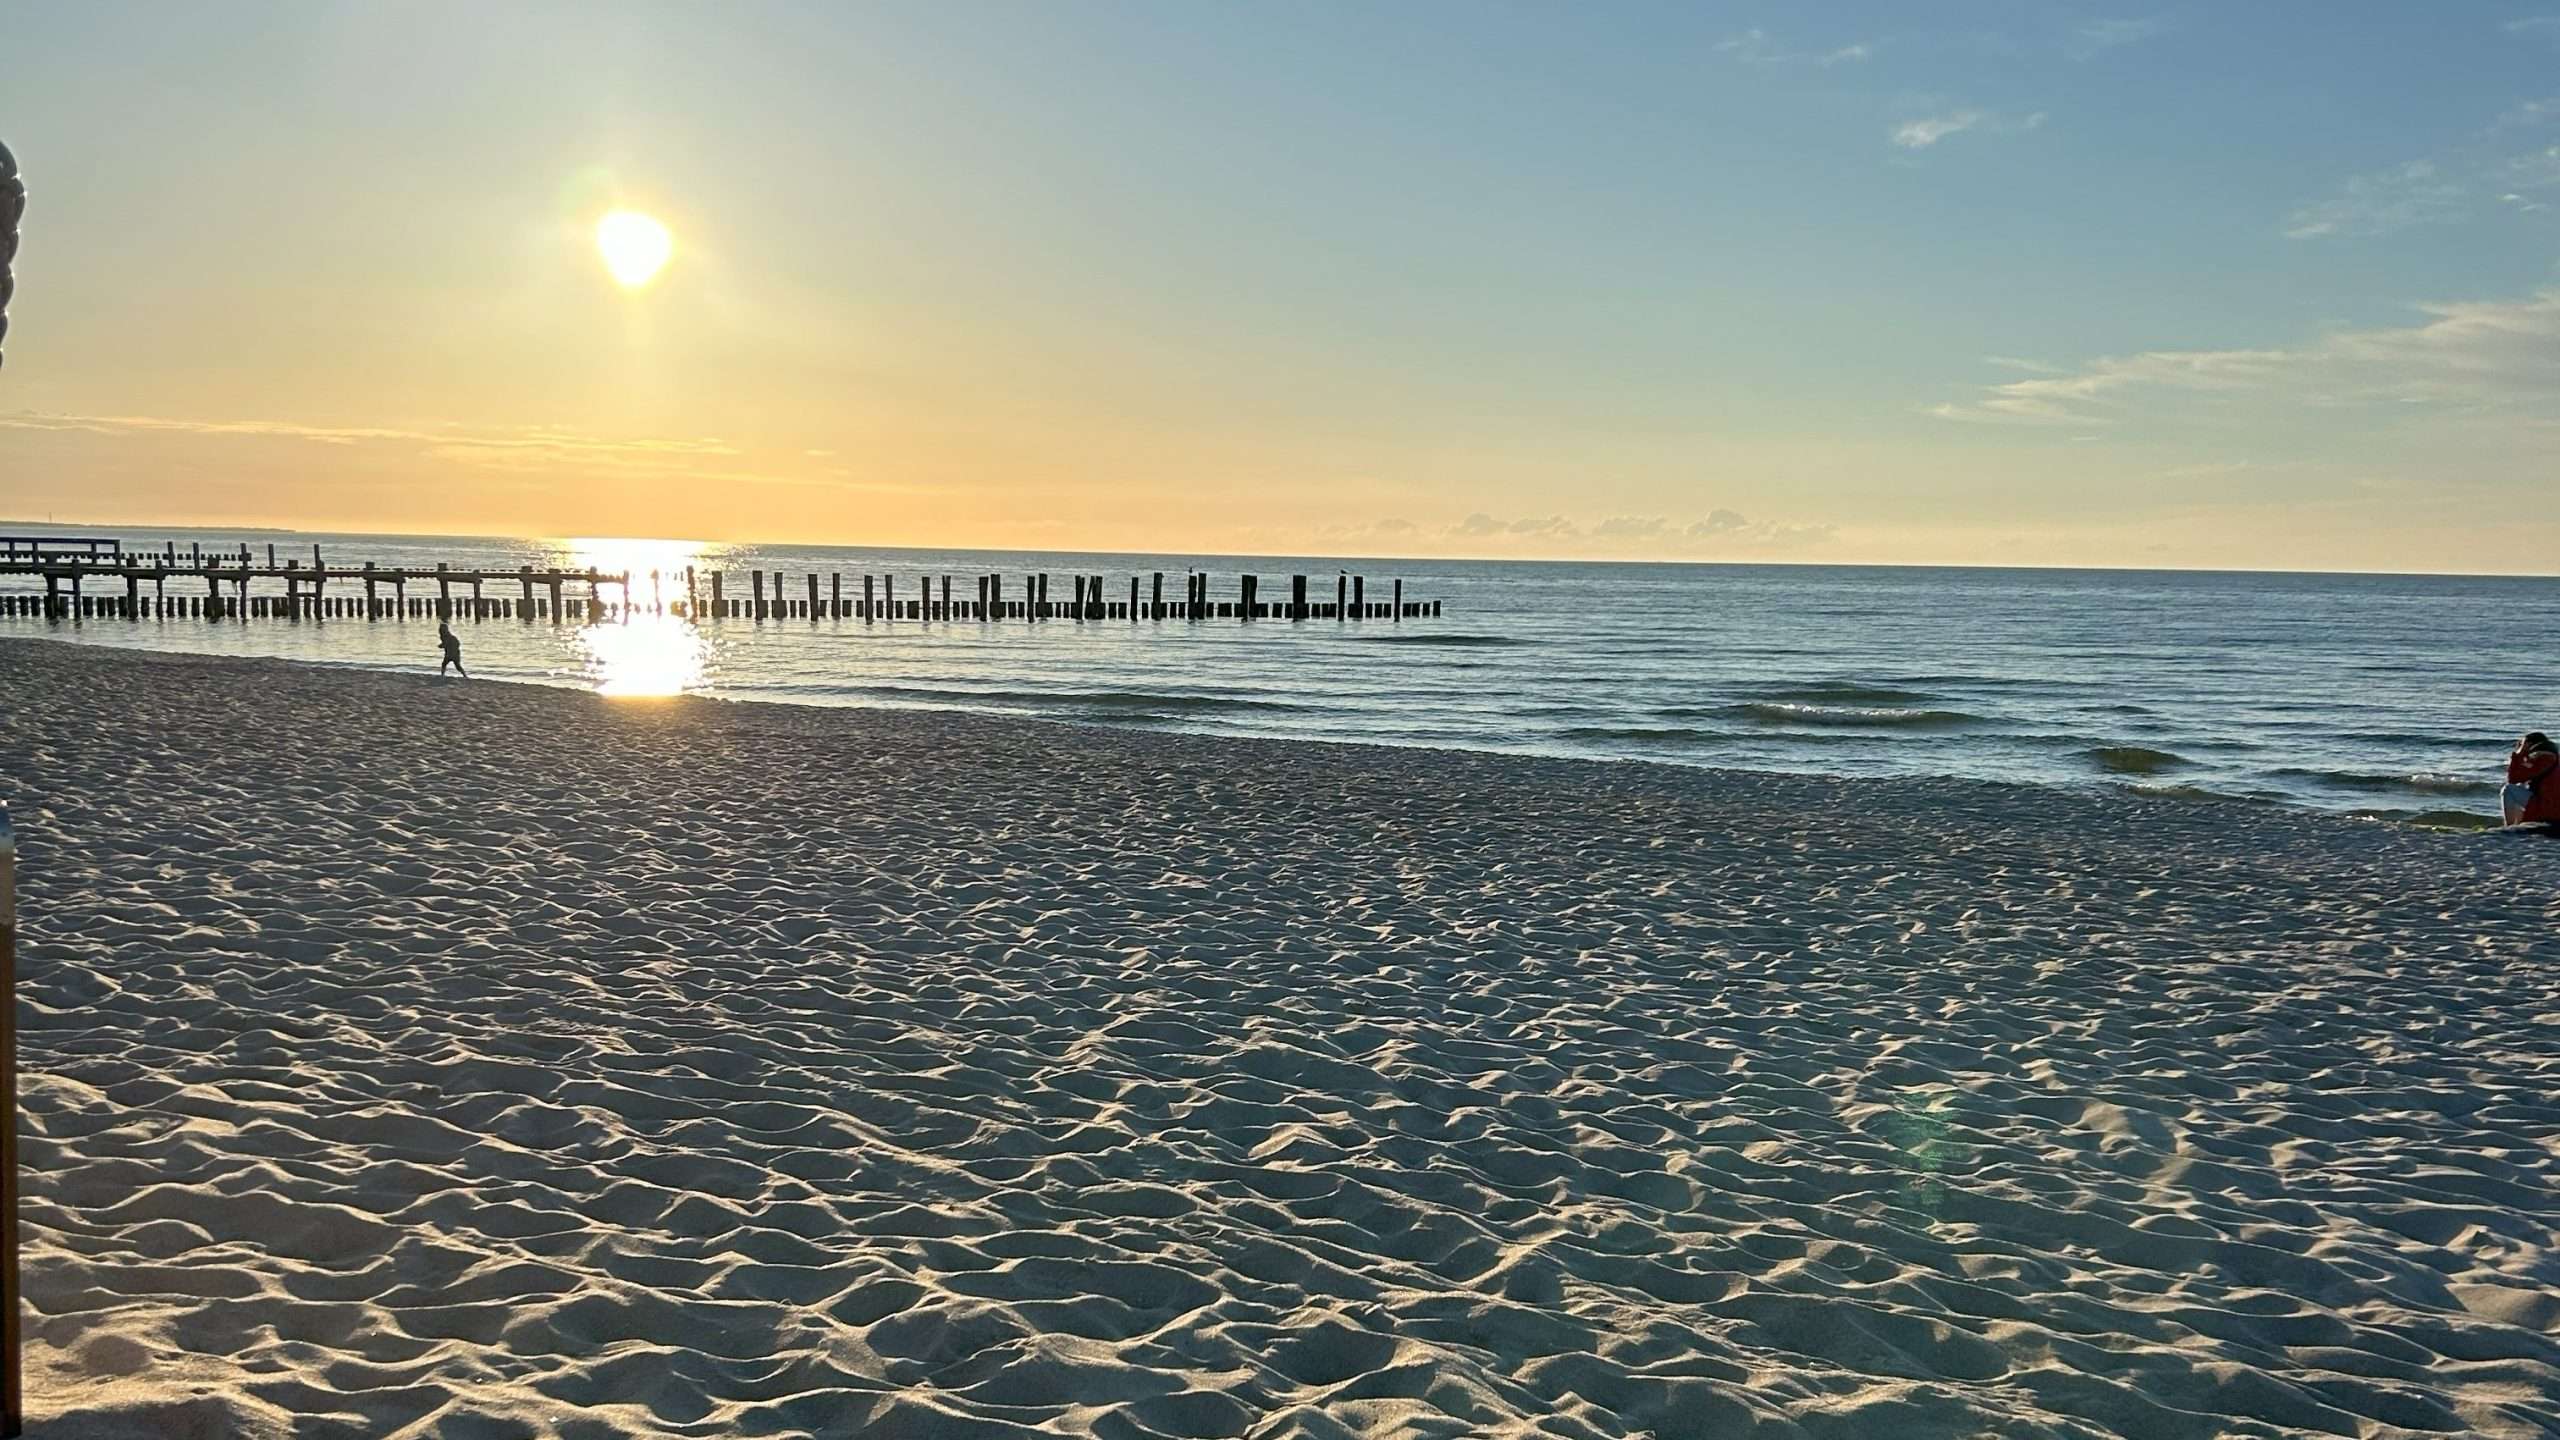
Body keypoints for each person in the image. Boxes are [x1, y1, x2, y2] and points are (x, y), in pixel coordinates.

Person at [2504, 732, 2558, 826]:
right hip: (2553, 808)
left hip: (2548, 810)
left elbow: (2512, 779)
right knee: (2520, 786)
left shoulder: (2543, 758)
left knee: (2508, 789)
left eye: (2522, 744)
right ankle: (2519, 824)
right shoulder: (2553, 758)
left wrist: (2518, 754)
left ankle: (2510, 827)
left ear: (2528, 744)